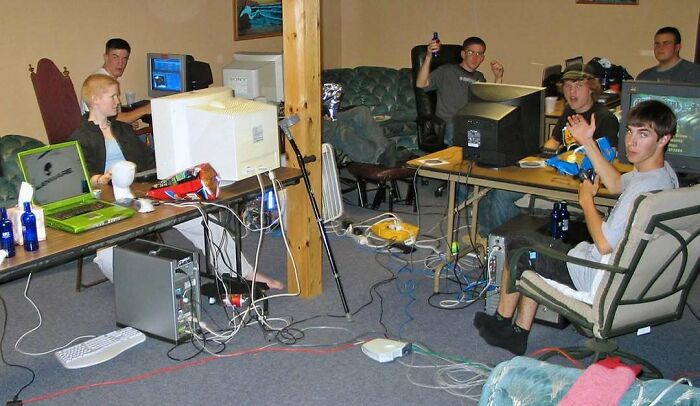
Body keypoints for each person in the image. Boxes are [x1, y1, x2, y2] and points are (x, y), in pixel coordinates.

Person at [473, 99, 679, 355]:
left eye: (643, 134)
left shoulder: (642, 194)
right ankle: (517, 333)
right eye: (630, 131)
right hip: (627, 273)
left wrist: (586, 201)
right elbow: (615, 184)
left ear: (664, 139)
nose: (631, 142)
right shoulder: (662, 175)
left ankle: (503, 325)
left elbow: (604, 244)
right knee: (538, 247)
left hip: (596, 273)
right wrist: (588, 142)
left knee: (518, 245)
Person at [70, 73, 283, 289]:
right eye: (113, 96)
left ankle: (244, 273)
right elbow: (79, 176)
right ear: (96, 99)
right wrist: (99, 178)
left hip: (144, 194)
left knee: (202, 220)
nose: (118, 101)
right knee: (107, 255)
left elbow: (151, 160)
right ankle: (140, 294)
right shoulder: (80, 136)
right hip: (110, 203)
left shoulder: (123, 130)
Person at [477, 62, 620, 237]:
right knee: (490, 192)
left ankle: (504, 243)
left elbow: (608, 160)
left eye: (579, 86)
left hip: (581, 185)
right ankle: (488, 240)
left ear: (591, 88)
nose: (572, 92)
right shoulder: (569, 111)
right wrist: (539, 156)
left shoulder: (605, 118)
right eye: (568, 86)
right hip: (557, 175)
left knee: (501, 195)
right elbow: (554, 140)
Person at [416, 36, 504, 145]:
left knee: (495, 137)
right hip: (450, 124)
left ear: (482, 58)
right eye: (471, 52)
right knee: (466, 141)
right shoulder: (446, 71)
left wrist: (498, 78)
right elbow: (421, 84)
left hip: (471, 124)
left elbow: (490, 104)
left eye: (479, 54)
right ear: (463, 54)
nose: (475, 57)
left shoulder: (479, 77)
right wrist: (429, 56)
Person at [81, 38, 152, 124]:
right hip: (99, 135)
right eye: (115, 57)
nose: (120, 63)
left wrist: (127, 123)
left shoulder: (106, 78)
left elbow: (113, 119)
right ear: (106, 57)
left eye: (124, 59)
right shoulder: (100, 83)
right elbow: (115, 118)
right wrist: (145, 109)